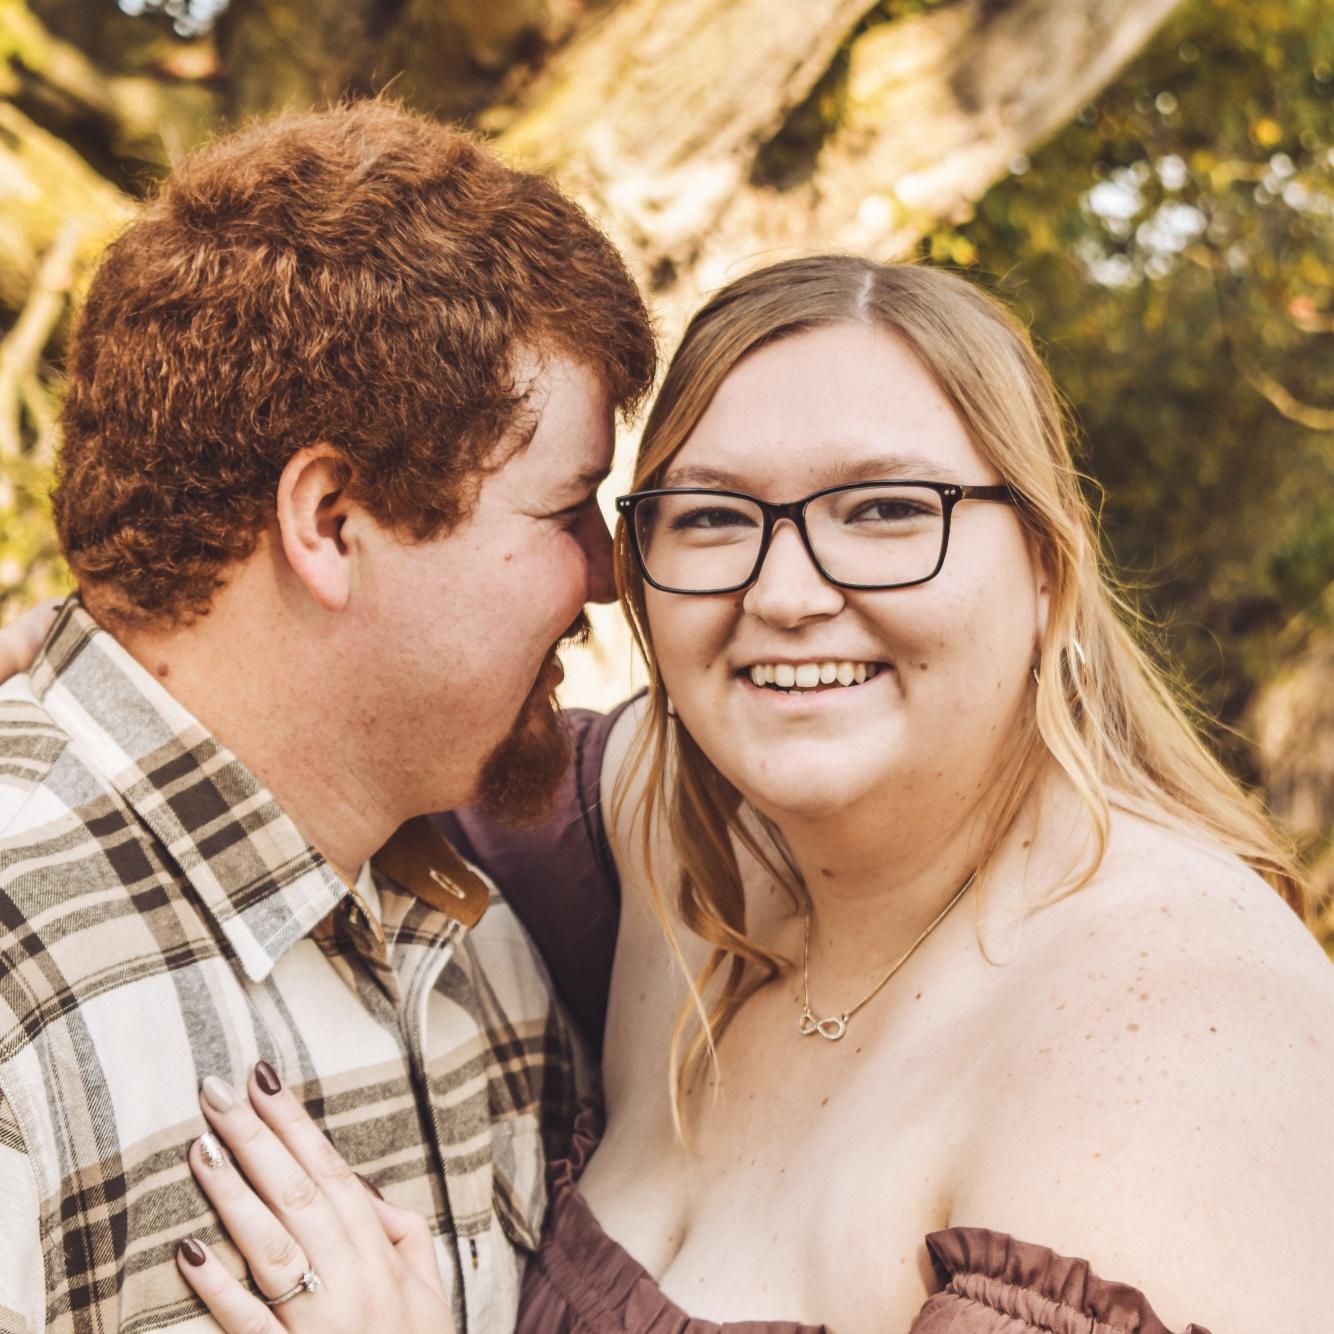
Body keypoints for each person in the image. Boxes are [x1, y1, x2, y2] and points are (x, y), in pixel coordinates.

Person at [139, 256, 1333, 1334]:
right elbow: (332, 731)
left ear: (1046, 570)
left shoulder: (1176, 1036)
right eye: (711, 517)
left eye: (885, 509)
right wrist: (125, 651)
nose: (784, 593)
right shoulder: (668, 832)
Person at [0, 101, 656, 1332]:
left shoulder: (477, 930)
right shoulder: (19, 982)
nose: (608, 574)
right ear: (331, 520)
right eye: (565, 507)